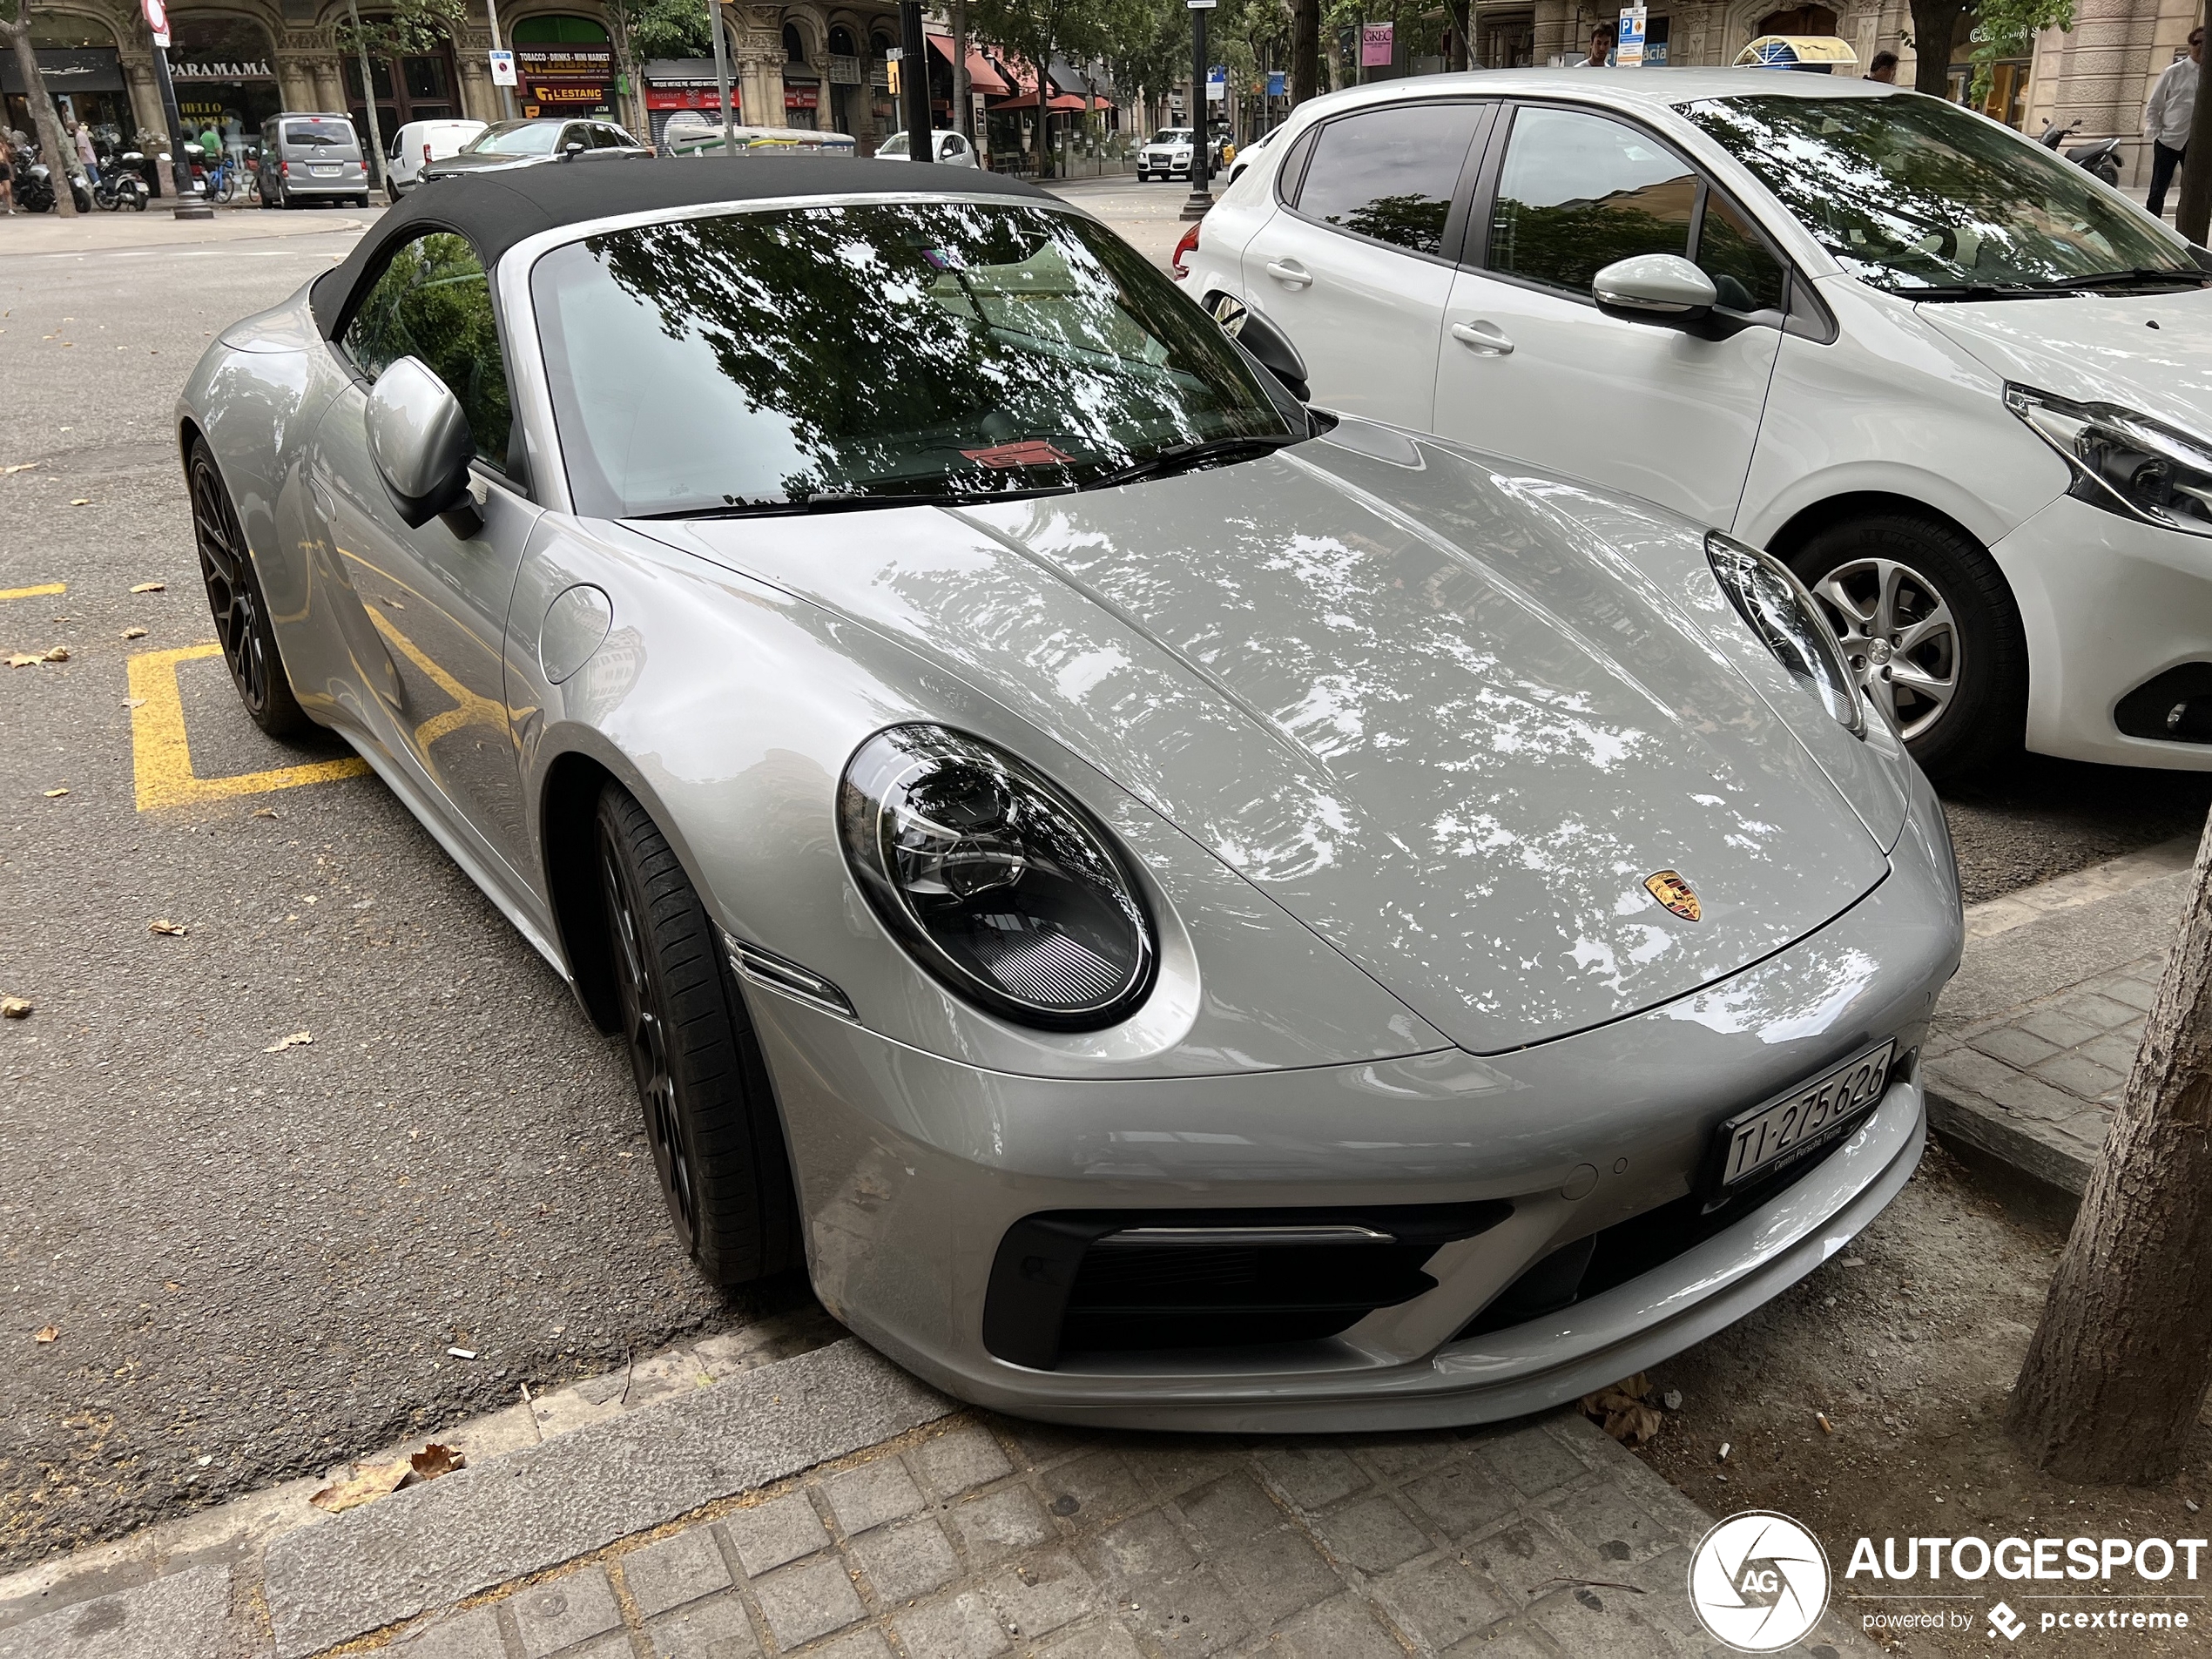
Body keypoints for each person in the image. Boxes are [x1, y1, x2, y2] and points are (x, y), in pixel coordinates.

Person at [2146, 28, 2202, 219]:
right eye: (2197, 42)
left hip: (2197, 145)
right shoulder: (2174, 72)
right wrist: (2157, 133)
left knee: (2195, 193)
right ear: (2190, 45)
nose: (2201, 47)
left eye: (2206, 42)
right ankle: (2152, 228)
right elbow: (2154, 104)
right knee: (2157, 191)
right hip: (2169, 141)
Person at [71, 118, 98, 185]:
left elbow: (82, 149)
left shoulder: (79, 136)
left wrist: (79, 160)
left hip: (87, 160)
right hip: (88, 159)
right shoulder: (81, 135)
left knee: (94, 177)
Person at [0, 129, 14, 216]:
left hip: (4, 166)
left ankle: (11, 209)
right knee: (1, 190)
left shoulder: (3, 147)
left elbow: (9, 156)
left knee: (8, 189)